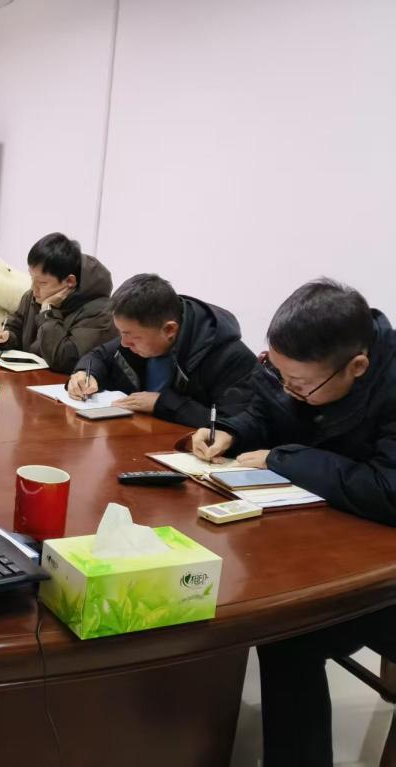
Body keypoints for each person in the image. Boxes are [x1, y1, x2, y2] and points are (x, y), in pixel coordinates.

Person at [189, 279, 396, 766]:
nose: (288, 389)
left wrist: (283, 458)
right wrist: (231, 431)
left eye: (299, 384)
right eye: (279, 374)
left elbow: (389, 490)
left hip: (383, 577)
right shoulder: (303, 366)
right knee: (279, 624)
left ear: (357, 367)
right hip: (328, 541)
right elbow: (266, 409)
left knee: (289, 634)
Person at [67, 273, 255, 427]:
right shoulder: (143, 335)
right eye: (121, 333)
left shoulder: (228, 357)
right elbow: (99, 356)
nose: (123, 343)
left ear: (169, 330)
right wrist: (86, 373)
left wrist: (162, 403)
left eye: (131, 336)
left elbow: (236, 423)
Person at [0, 232, 117, 372]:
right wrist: (4, 337)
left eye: (42, 283)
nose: (33, 289)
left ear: (70, 281)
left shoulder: (101, 312)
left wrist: (48, 312)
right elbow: (15, 328)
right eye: (32, 278)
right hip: (27, 379)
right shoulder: (32, 296)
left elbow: (66, 361)